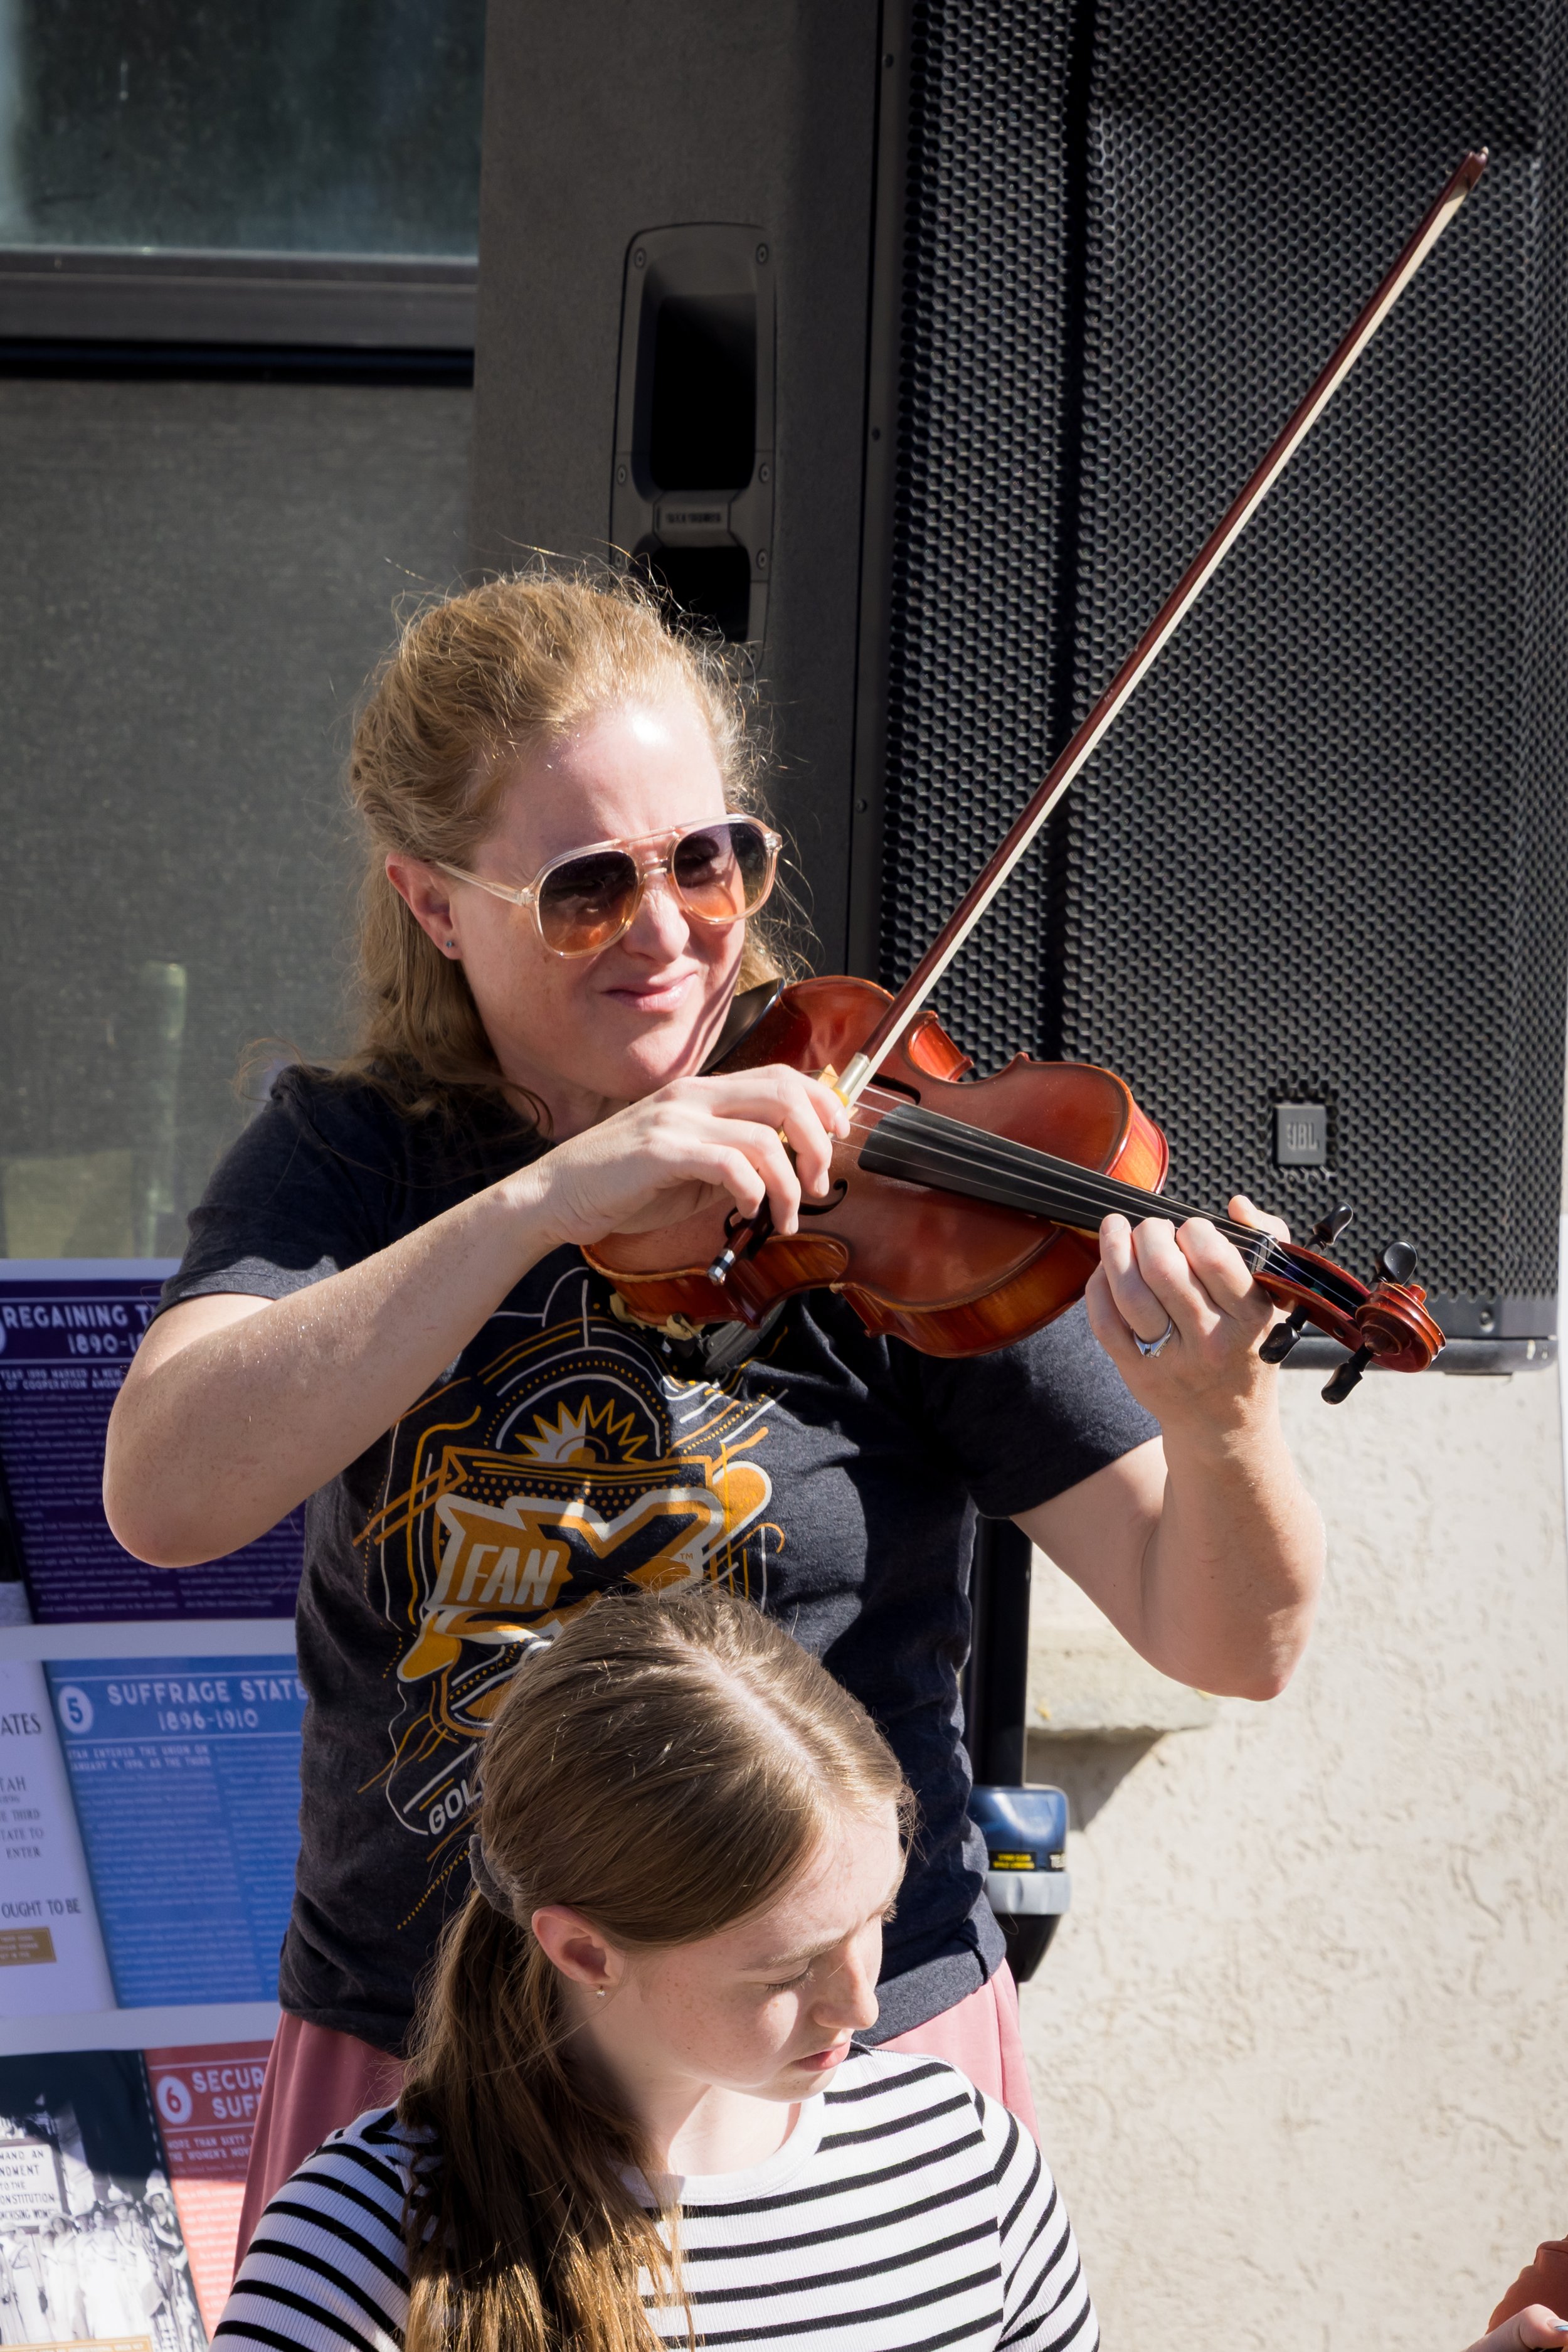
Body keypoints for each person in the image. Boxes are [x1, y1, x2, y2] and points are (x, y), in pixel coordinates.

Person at [102, 569, 1323, 2243]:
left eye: (707, 859)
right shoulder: (354, 1157)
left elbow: (1229, 1640)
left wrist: (1221, 1417)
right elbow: (166, 1494)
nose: (668, 927)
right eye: (585, 887)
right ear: (434, 903)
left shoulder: (877, 1170)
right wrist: (540, 1200)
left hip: (840, 2054)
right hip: (439, 2056)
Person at [220, 1585, 1099, 2352]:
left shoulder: (962, 2160)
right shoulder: (361, 2241)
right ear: (584, 1951)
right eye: (785, 1972)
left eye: (878, 1918)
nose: (861, 2006)